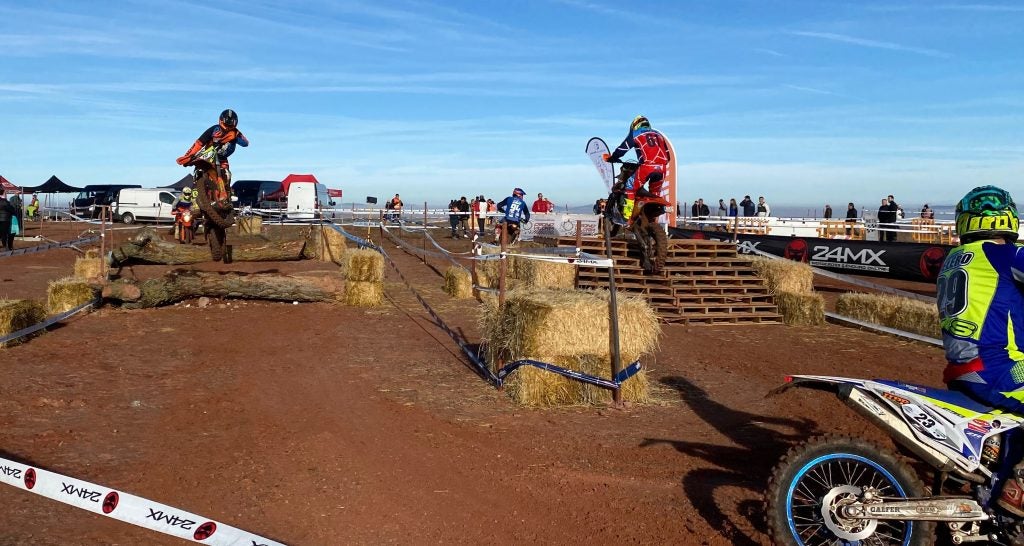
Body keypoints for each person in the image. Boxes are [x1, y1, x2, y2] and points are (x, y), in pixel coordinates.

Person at [935, 186, 1024, 516]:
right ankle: (1019, 488)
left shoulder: (954, 260)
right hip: (1000, 368)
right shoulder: (1004, 255)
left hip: (962, 371)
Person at [605, 115, 671, 224]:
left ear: (635, 125)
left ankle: (626, 218)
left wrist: (613, 157)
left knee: (629, 188)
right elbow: (668, 156)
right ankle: (651, 221)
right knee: (654, 193)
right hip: (662, 168)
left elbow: (622, 148)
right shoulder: (659, 135)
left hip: (647, 167)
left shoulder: (635, 134)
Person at [176, 109, 249, 202]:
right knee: (197, 165)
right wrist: (188, 155)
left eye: (232, 122)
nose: (228, 125)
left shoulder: (235, 132)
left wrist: (237, 135)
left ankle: (227, 194)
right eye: (227, 121)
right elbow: (199, 143)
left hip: (222, 159)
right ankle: (198, 189)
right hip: (209, 154)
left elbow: (246, 143)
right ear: (222, 120)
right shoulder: (214, 129)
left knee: (228, 175)